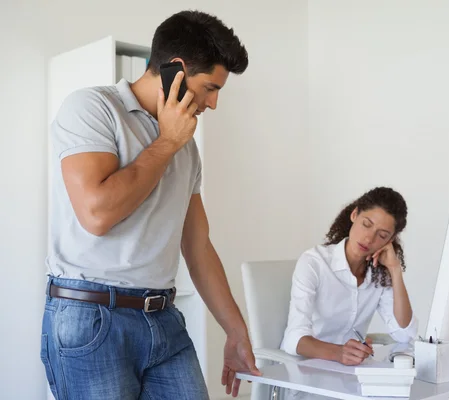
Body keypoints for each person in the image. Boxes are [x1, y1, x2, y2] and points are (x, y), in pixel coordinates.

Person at [41, 10, 260, 400]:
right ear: (176, 70)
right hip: (92, 319)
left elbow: (198, 245)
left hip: (162, 318)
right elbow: (97, 213)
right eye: (210, 87)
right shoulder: (92, 109)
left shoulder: (186, 147)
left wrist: (236, 331)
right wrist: (166, 143)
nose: (213, 104)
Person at [281, 187, 418, 367]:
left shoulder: (379, 275)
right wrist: (339, 353)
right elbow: (293, 338)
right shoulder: (314, 263)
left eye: (382, 235)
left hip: (351, 377)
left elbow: (404, 334)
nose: (369, 238)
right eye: (366, 224)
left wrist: (395, 270)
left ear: (389, 241)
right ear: (354, 215)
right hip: (307, 372)